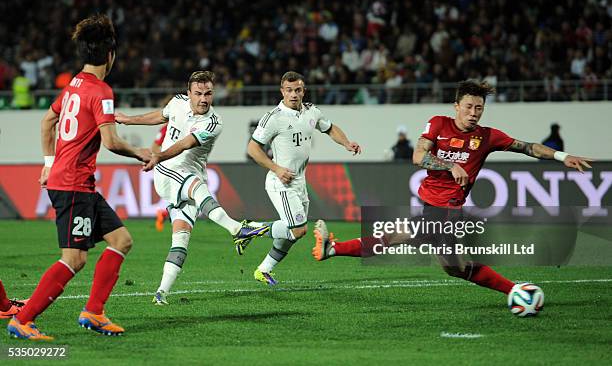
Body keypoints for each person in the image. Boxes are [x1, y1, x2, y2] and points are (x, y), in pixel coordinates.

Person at [312, 80, 592, 298]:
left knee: (434, 255)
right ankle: (515, 290)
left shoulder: (487, 136)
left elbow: (527, 147)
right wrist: (449, 165)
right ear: (456, 105)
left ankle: (332, 249)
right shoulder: (438, 124)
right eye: (468, 107)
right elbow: (418, 156)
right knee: (449, 264)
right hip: (431, 206)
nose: (473, 113)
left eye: (479, 108)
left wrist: (561, 156)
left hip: (448, 210)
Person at [7, 14, 152, 341]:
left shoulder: (72, 85)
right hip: (73, 185)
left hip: (73, 181)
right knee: (74, 258)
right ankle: (23, 320)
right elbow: (112, 141)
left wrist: (48, 163)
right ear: (110, 55)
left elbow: (48, 122)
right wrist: (141, 153)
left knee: (121, 240)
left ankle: (94, 312)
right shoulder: (100, 90)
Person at [115, 70, 270, 305]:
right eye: (198, 94)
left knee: (181, 238)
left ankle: (161, 293)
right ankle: (236, 229)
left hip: (186, 175)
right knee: (197, 188)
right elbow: (160, 116)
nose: (203, 99)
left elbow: (186, 143)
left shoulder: (214, 122)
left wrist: (158, 155)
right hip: (168, 172)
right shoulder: (177, 102)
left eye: (208, 93)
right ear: (189, 94)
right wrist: (128, 119)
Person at [247, 71, 361, 285]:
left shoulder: (311, 111)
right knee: (298, 229)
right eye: (288, 90)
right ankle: (250, 228)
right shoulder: (274, 118)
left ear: (303, 91)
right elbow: (253, 149)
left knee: (291, 235)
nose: (293, 94)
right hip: (280, 182)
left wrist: (346, 143)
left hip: (299, 182)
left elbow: (330, 128)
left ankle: (263, 270)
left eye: (297, 90)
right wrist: (276, 168)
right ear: (282, 92)